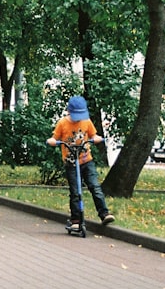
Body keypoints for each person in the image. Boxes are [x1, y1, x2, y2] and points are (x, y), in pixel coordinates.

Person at [46, 95, 115, 230]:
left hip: (86, 160)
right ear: (70, 111)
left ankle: (104, 213)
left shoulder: (86, 121)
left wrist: (96, 138)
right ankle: (76, 219)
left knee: (95, 187)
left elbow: (93, 134)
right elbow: (54, 138)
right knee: (75, 191)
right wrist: (52, 141)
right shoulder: (62, 123)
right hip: (71, 163)